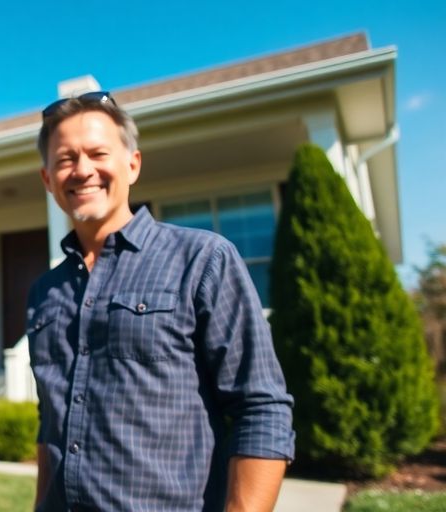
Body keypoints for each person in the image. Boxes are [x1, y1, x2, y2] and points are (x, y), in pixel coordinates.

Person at [28, 91, 295, 511]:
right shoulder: (44, 293)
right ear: (48, 179)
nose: (82, 170)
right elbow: (51, 425)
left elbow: (260, 407)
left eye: (98, 153)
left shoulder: (203, 259)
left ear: (132, 164)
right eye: (65, 159)